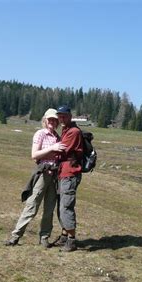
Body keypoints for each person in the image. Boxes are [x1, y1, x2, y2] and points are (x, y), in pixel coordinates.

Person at [6, 108, 66, 248]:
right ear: (45, 120)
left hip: (54, 176)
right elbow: (34, 155)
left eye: (55, 120)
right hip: (42, 174)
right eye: (50, 119)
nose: (52, 122)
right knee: (31, 206)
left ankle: (44, 237)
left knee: (49, 209)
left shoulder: (57, 137)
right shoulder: (40, 134)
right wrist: (52, 149)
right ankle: (15, 236)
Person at [55, 105, 83, 252]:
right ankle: (64, 235)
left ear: (70, 116)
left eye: (64, 116)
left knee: (66, 206)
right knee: (61, 206)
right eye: (59, 116)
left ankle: (71, 241)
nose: (61, 119)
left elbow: (61, 151)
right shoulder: (65, 130)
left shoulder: (73, 132)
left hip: (70, 173)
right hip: (63, 173)